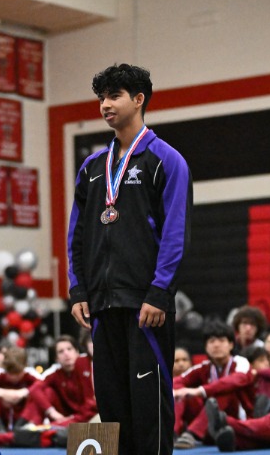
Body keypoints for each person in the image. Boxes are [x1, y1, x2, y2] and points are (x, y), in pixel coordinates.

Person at [68, 63, 192, 455]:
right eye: (101, 97)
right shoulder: (91, 169)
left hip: (145, 305)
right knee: (112, 408)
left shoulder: (166, 161)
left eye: (114, 96)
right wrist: (78, 290)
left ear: (139, 100)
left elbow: (176, 233)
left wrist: (159, 293)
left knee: (149, 408)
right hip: (101, 305)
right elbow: (77, 235)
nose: (105, 105)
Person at [172, 320, 251, 449]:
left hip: (237, 423)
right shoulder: (203, 367)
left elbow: (236, 380)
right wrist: (178, 391)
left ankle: (192, 434)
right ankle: (171, 433)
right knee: (178, 393)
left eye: (221, 340)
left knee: (224, 391)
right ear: (206, 347)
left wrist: (199, 391)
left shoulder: (241, 363)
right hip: (207, 426)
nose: (216, 345)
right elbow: (177, 381)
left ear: (231, 345)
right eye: (212, 341)